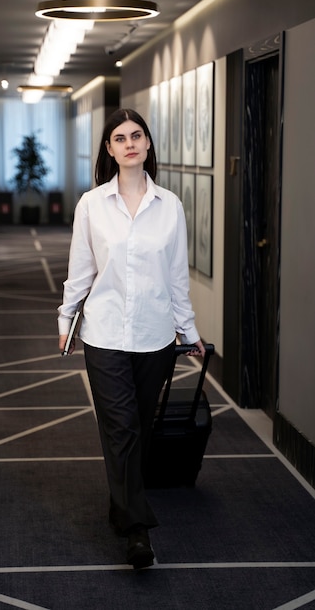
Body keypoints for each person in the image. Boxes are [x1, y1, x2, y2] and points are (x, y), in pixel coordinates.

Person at [58, 108, 204, 570]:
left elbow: (177, 276)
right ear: (109, 149)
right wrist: (67, 320)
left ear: (147, 143)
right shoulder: (92, 205)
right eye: (119, 138)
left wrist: (191, 329)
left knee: (137, 428)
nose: (129, 144)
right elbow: (80, 270)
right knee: (120, 428)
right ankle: (137, 531)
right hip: (104, 333)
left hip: (155, 336)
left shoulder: (171, 206)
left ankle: (121, 504)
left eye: (136, 135)